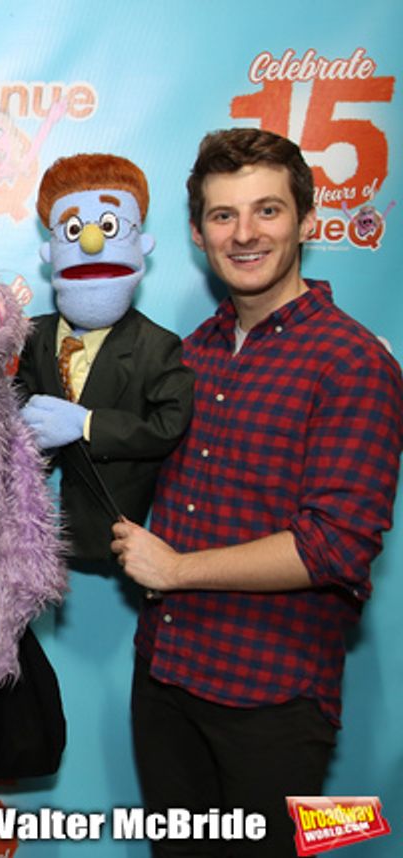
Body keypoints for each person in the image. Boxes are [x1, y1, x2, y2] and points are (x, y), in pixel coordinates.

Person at [111, 128, 403, 857]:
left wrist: (176, 569)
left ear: (306, 221)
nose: (244, 234)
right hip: (166, 681)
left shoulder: (352, 362)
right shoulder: (190, 353)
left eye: (267, 211)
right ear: (196, 232)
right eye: (222, 215)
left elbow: (333, 545)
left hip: (268, 701)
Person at [17, 153, 193, 563]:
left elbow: (168, 426)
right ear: (50, 251)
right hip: (28, 539)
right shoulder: (33, 335)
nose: (91, 242)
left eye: (109, 227)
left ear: (142, 244)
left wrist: (87, 424)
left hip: (113, 541)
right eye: (74, 230)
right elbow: (16, 394)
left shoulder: (157, 346)